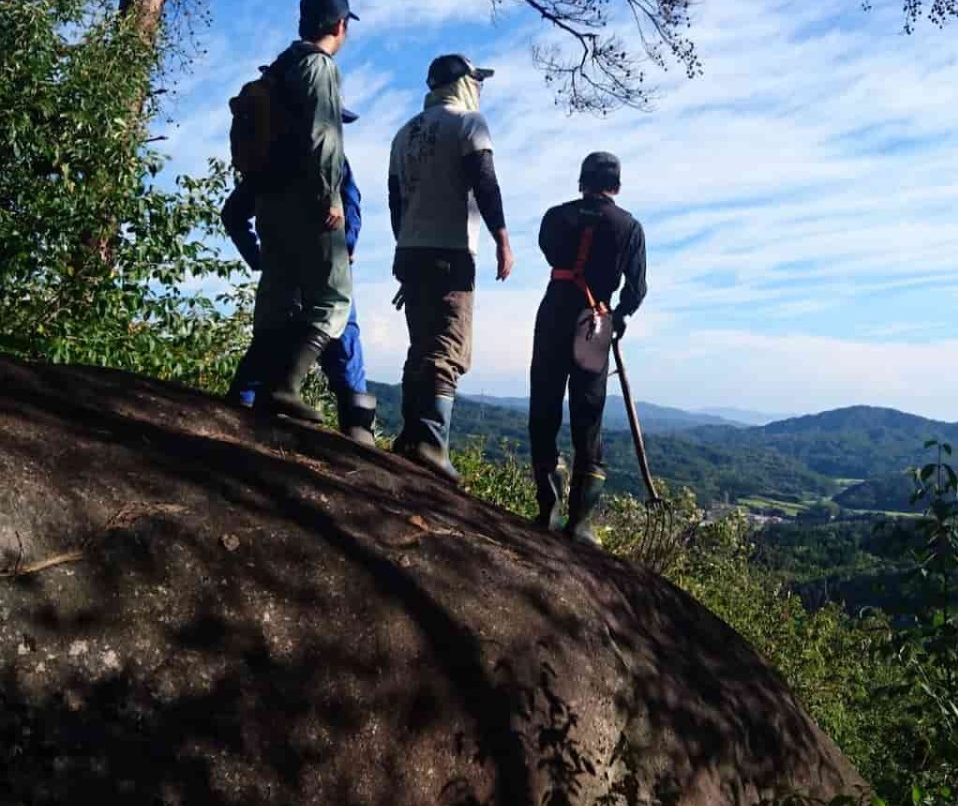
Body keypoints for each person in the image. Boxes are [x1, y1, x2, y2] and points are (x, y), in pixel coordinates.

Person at [388, 53, 514, 481]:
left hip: (410, 251)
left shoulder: (404, 133)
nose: (480, 88)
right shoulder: (469, 124)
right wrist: (502, 239)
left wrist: (405, 244)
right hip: (452, 252)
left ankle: (410, 437)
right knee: (447, 348)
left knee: (420, 343)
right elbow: (486, 182)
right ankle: (432, 445)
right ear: (464, 83)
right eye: (477, 81)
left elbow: (395, 200)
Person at [222, 124, 377, 446]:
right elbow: (351, 206)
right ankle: (357, 430)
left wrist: (257, 256)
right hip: (322, 263)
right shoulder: (331, 158)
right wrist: (345, 248)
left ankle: (239, 407)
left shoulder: (269, 153)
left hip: (280, 265)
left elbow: (233, 214)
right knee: (341, 330)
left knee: (272, 334)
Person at [245, 0, 357, 423]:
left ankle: (258, 390)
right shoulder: (319, 66)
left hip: (269, 198)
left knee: (278, 293)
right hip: (306, 199)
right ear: (340, 25)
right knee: (333, 296)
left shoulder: (281, 67)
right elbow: (323, 136)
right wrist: (331, 197)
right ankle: (285, 387)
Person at [528, 152, 646, 543]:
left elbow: (548, 250)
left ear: (582, 182)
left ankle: (548, 507)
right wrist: (619, 317)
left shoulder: (555, 217)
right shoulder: (630, 227)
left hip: (553, 312)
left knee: (544, 403)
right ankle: (579, 523)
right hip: (595, 320)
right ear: (617, 187)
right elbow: (637, 288)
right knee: (588, 415)